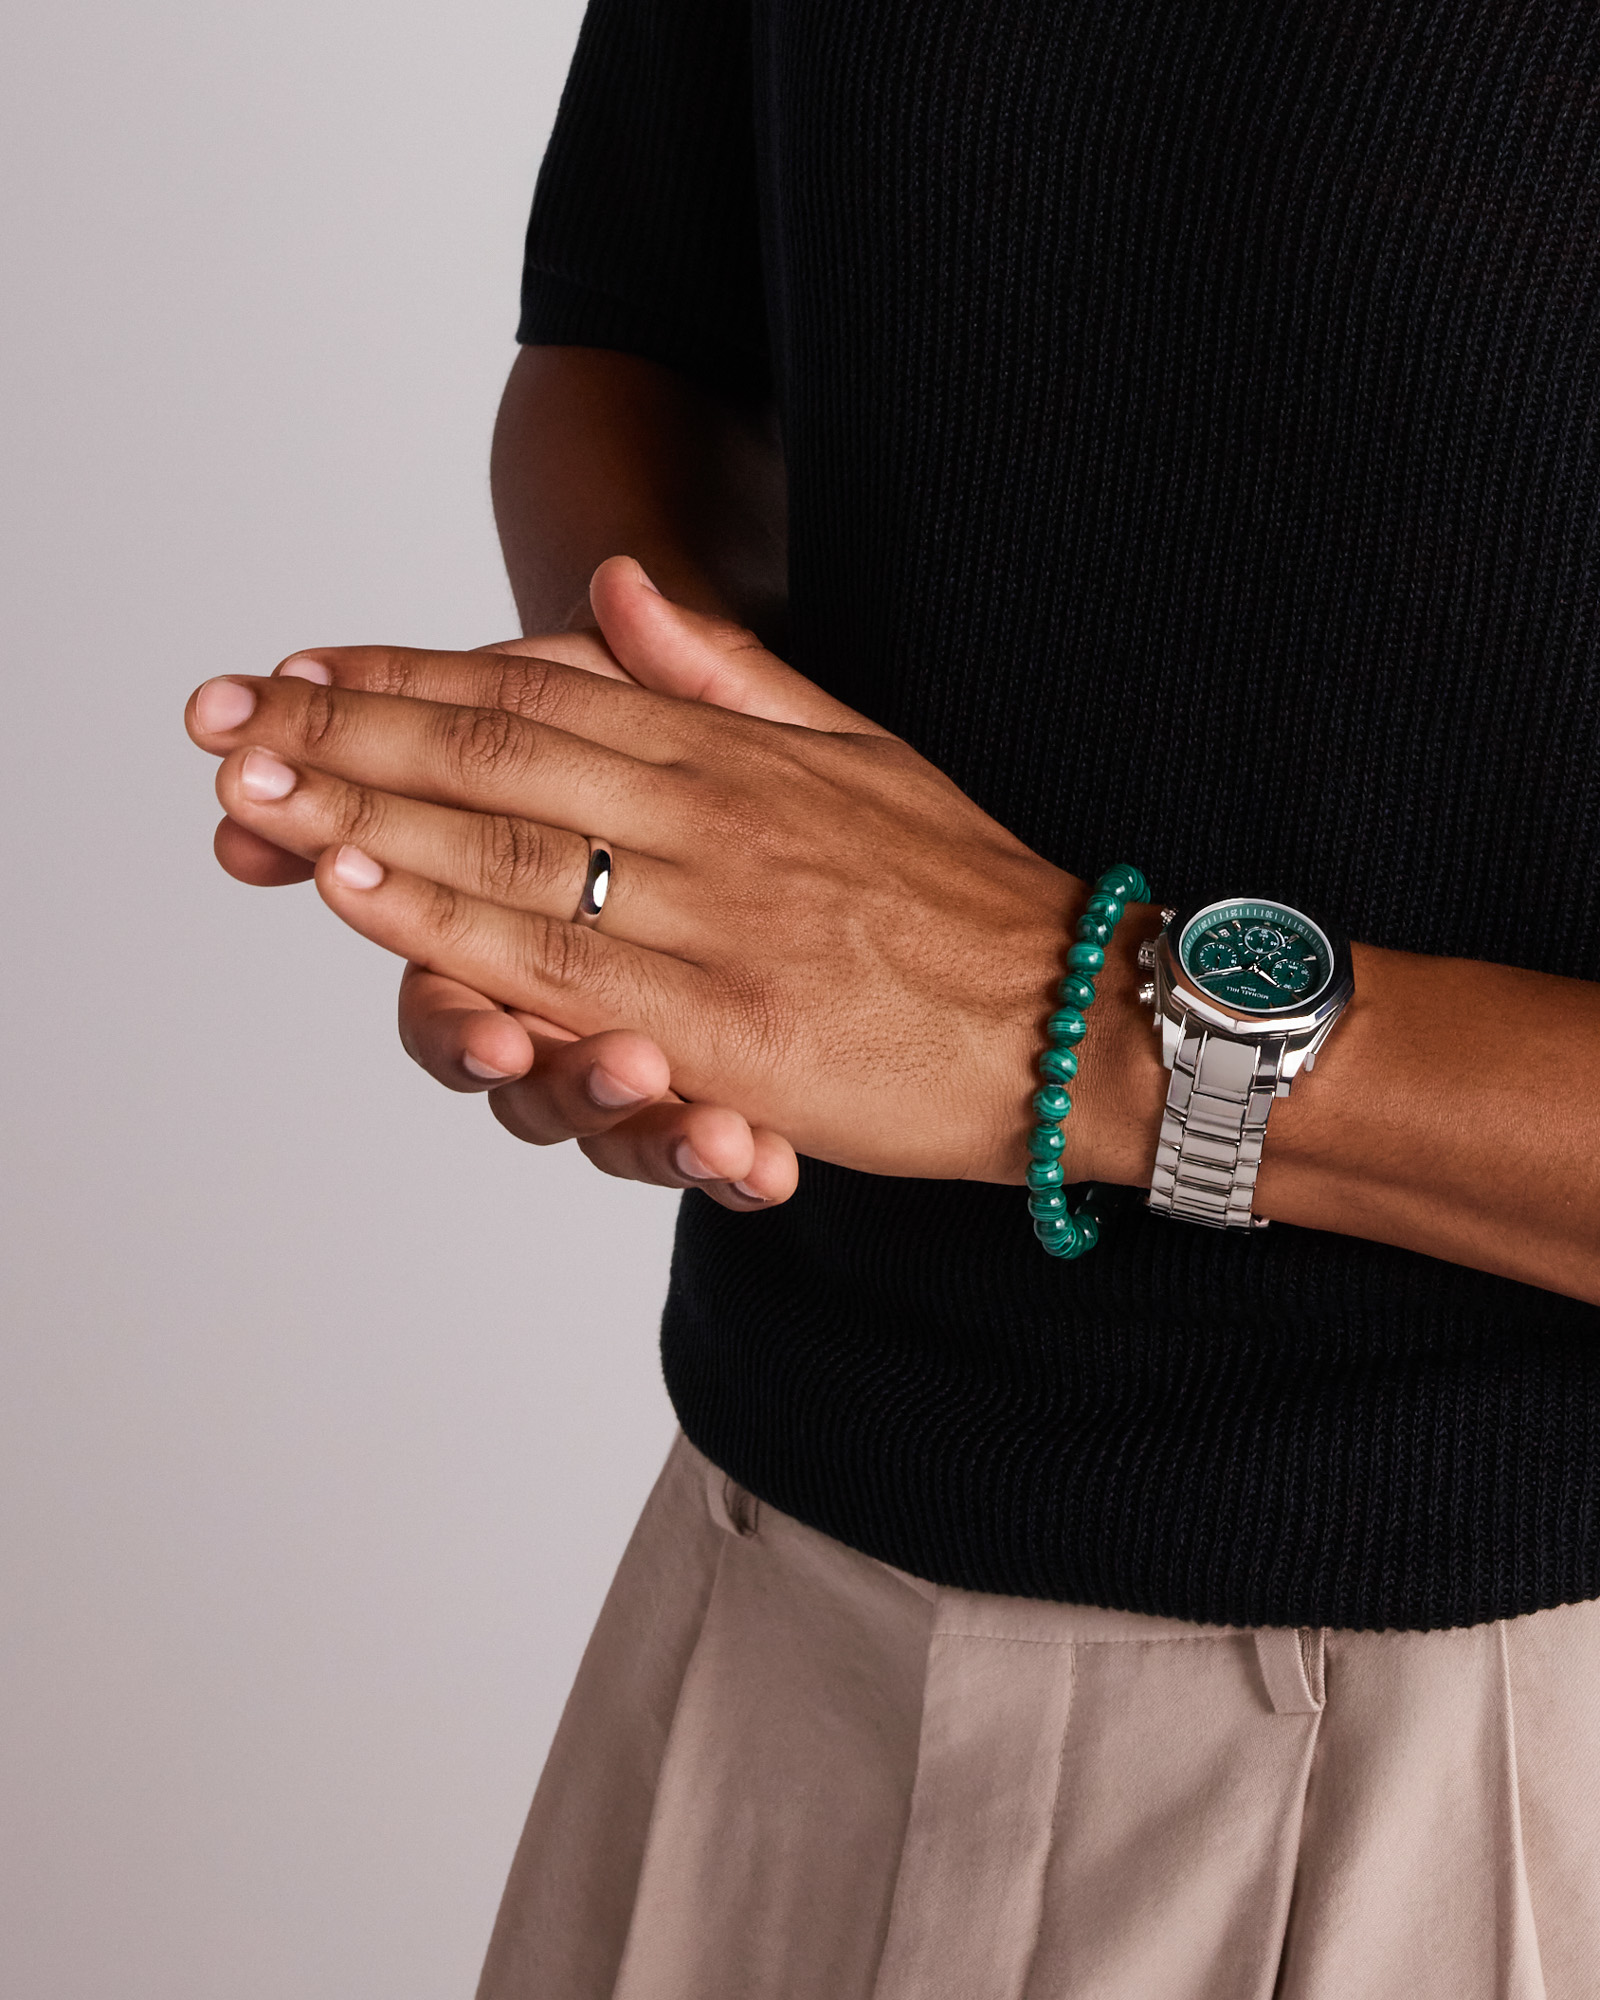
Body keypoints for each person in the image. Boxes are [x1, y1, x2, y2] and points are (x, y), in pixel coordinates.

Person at [187, 0, 1600, 1992]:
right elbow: (647, 336)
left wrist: (1077, 1027)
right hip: (762, 1638)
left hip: (1510, 1741)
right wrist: (666, 846)